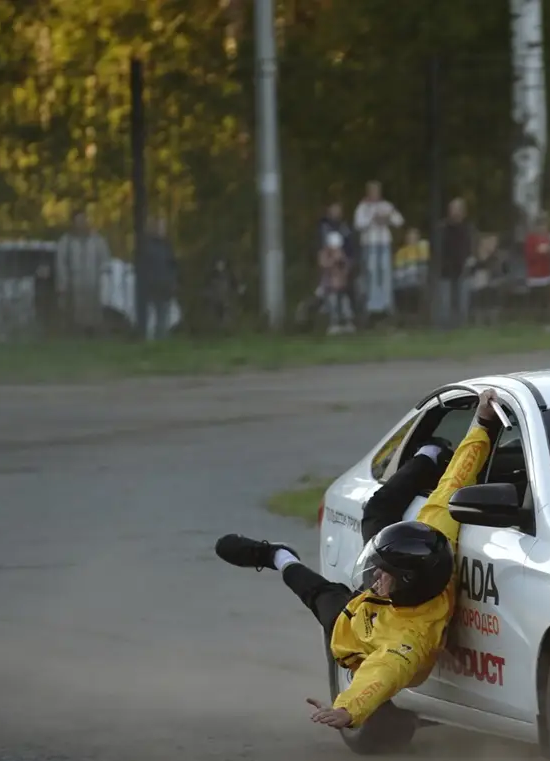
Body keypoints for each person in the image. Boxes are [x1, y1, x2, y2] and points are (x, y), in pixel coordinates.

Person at [211, 389, 498, 732]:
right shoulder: (436, 534)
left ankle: (279, 556)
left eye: (384, 573)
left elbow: (381, 674)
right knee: (381, 512)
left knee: (317, 594)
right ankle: (428, 455)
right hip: (382, 605)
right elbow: (456, 479)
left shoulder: (407, 641)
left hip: (352, 633)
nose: (375, 576)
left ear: (407, 581)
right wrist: (482, 424)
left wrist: (348, 710)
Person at [353, 180, 404, 324]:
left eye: (377, 191)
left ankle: (386, 305)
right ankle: (373, 306)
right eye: (372, 191)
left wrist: (388, 218)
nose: (374, 193)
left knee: (386, 273)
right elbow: (358, 224)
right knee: (372, 274)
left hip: (384, 243)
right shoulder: (363, 207)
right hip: (370, 244)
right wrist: (372, 218)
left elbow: (399, 221)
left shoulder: (386, 205)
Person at [55, 209, 110, 336]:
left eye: (83, 220)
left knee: (93, 316)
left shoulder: (97, 240)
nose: (81, 223)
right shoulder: (66, 242)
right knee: (75, 316)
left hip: (93, 285)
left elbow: (105, 261)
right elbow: (60, 265)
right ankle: (75, 336)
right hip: (74, 286)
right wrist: (62, 285)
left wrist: (104, 282)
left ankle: (92, 336)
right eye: (78, 220)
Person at [436, 198, 475, 328]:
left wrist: (469, 260)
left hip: (463, 268)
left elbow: (471, 247)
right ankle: (445, 328)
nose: (454, 212)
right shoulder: (442, 228)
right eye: (452, 209)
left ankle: (461, 326)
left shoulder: (468, 228)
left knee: (463, 300)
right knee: (445, 301)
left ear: (463, 212)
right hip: (445, 269)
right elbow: (438, 249)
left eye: (458, 209)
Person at [137, 214, 177, 341]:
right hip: (153, 287)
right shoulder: (147, 246)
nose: (162, 230)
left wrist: (172, 283)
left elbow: (172, 266)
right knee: (153, 317)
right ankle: (150, 340)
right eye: (160, 227)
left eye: (163, 227)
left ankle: (161, 340)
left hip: (165, 287)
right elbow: (144, 267)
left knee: (163, 316)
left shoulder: (167, 246)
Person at [317, 230, 355, 335]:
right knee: (332, 302)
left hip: (341, 286)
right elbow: (323, 265)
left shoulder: (341, 253)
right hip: (329, 286)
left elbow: (347, 267)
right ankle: (333, 324)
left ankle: (348, 323)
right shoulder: (323, 253)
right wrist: (334, 260)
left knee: (345, 303)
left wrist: (343, 262)